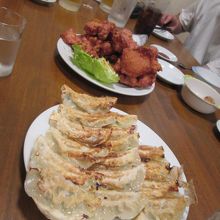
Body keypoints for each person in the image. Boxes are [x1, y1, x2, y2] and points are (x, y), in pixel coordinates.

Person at [160, 0, 220, 76]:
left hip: (202, 82)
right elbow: (181, 22)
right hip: (179, 65)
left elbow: (210, 74)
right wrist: (174, 22)